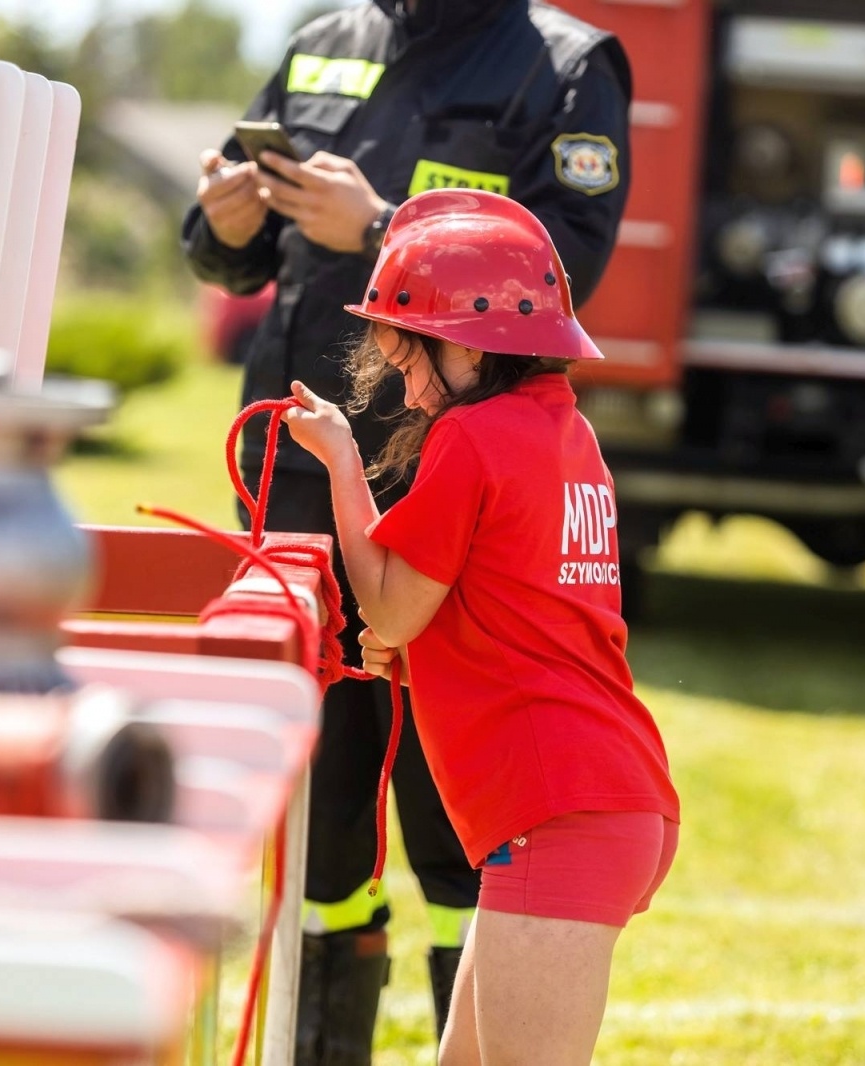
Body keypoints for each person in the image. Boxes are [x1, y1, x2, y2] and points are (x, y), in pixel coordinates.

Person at [181, 2, 632, 1060]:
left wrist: (381, 227)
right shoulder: (324, 35)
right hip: (298, 489)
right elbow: (226, 263)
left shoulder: (566, 69)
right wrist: (225, 226)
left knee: (462, 816)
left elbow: (568, 272)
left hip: (451, 482)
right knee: (317, 827)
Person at [281, 188, 679, 1066]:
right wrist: (423, 652)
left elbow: (388, 606)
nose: (404, 384)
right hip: (601, 795)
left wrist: (344, 462)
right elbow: (519, 618)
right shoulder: (567, 435)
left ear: (465, 342)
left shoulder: (474, 440)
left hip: (555, 809)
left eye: (406, 355)